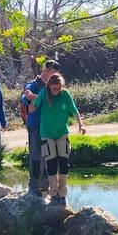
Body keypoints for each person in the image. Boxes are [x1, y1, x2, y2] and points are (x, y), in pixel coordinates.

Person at [25, 73, 86, 205]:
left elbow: (74, 110)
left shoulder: (65, 95)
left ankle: (62, 194)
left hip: (62, 132)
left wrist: (81, 125)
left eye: (59, 88)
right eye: (54, 88)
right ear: (49, 86)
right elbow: (31, 110)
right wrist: (30, 99)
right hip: (46, 133)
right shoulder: (43, 93)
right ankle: (53, 194)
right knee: (51, 163)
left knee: (63, 163)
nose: (57, 91)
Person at [20, 59, 61, 196]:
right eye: (53, 73)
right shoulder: (32, 84)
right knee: (36, 154)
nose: (55, 77)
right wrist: (29, 98)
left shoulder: (52, 86)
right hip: (35, 125)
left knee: (48, 155)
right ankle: (33, 185)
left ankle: (45, 185)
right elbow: (24, 98)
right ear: (46, 71)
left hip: (49, 126)